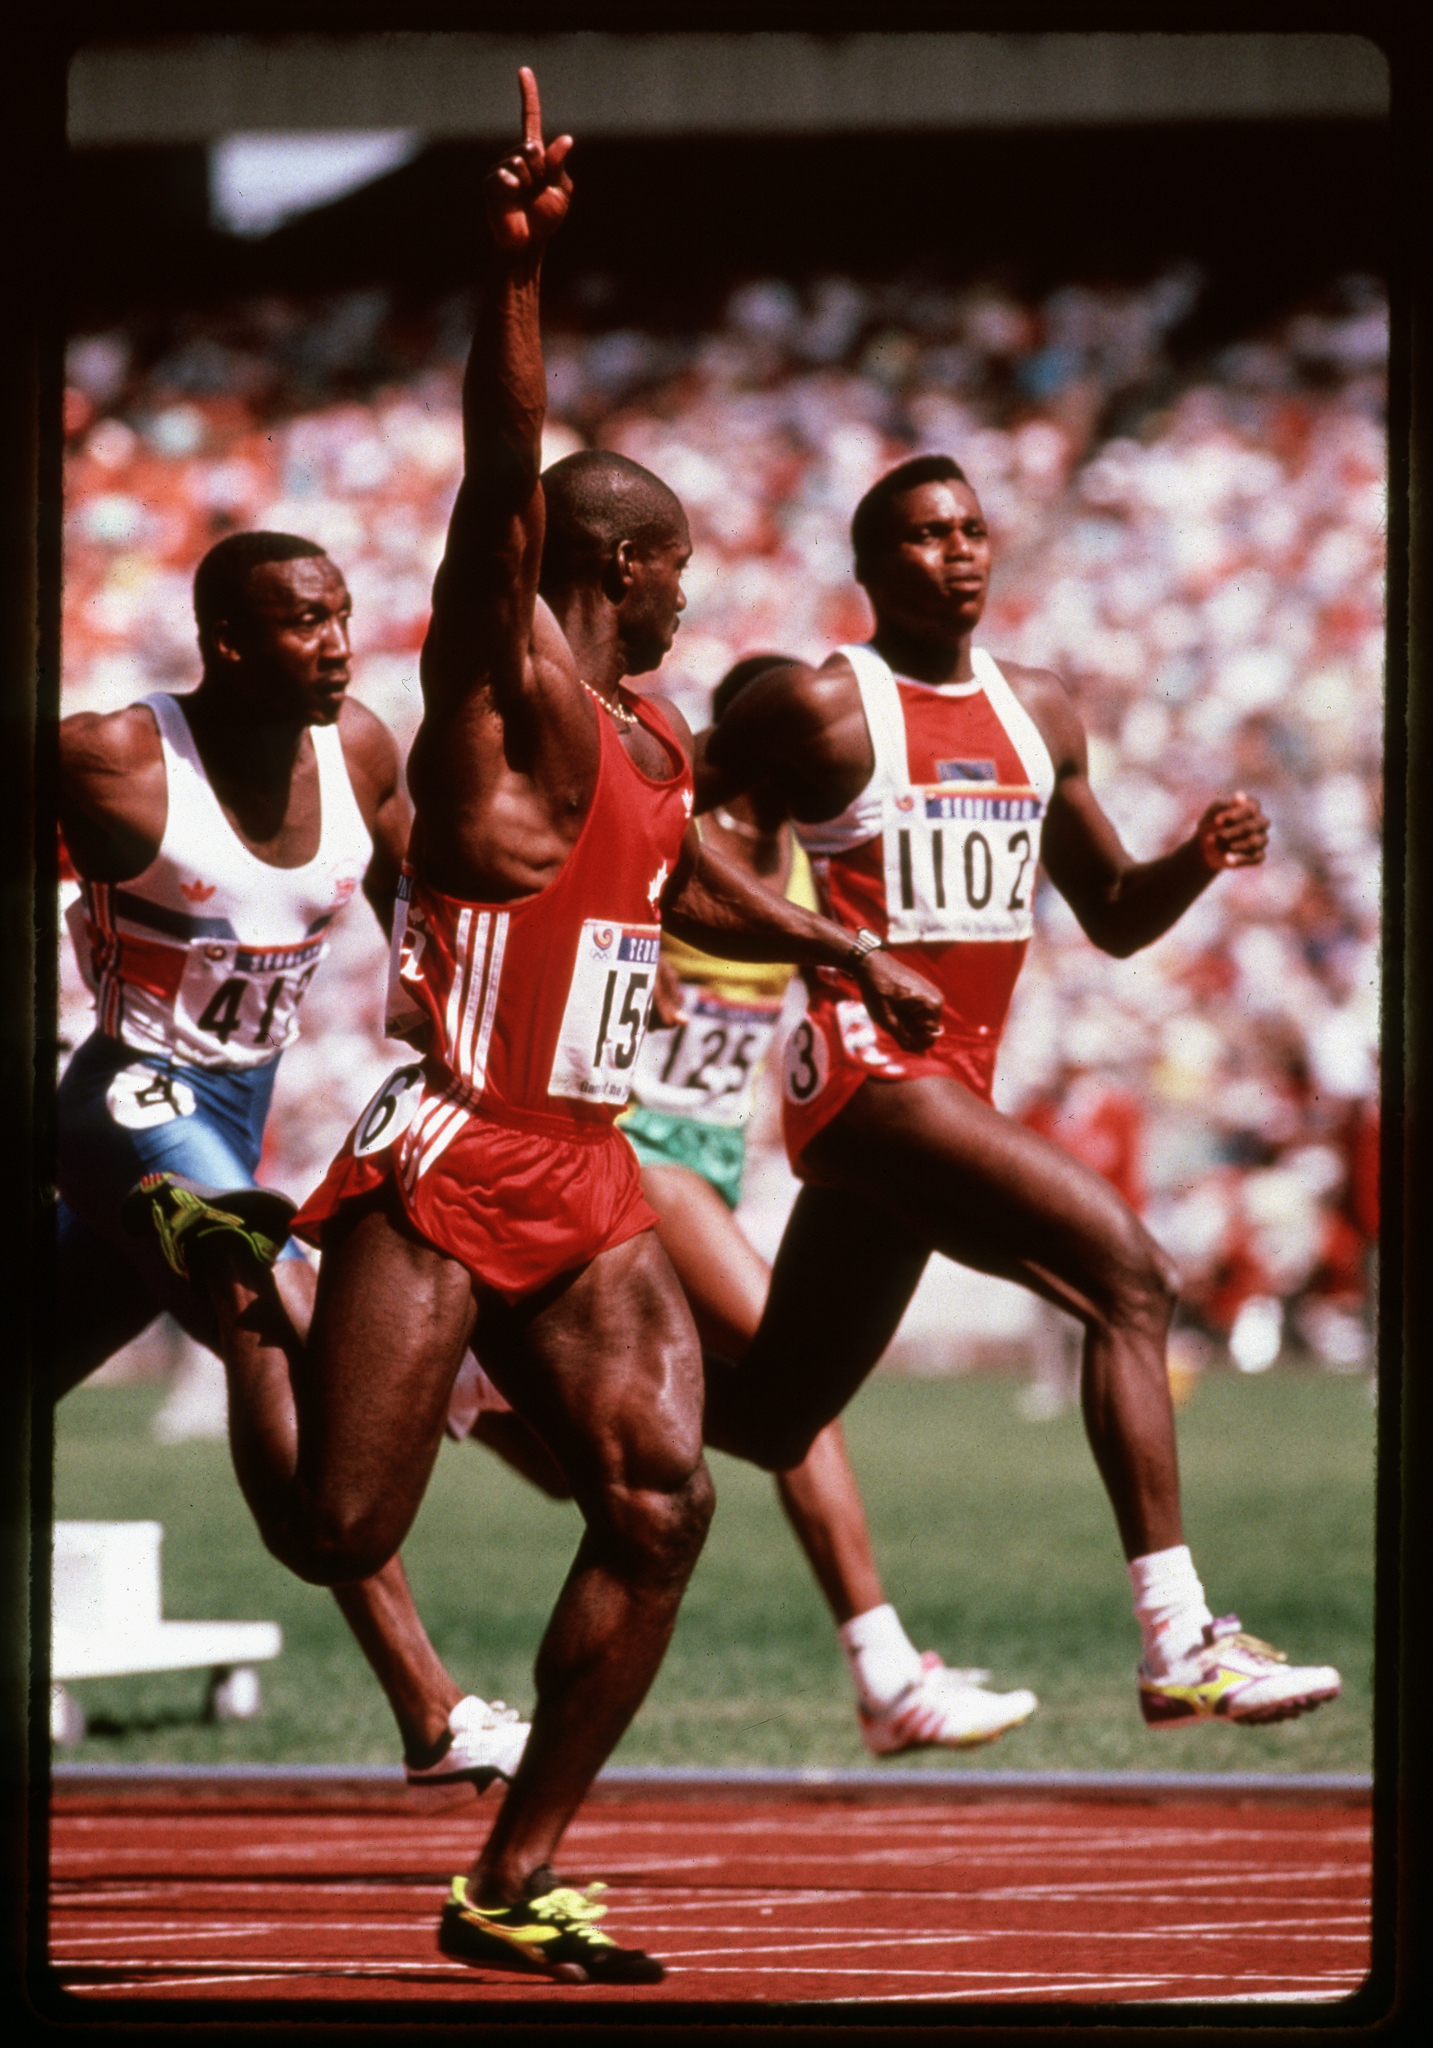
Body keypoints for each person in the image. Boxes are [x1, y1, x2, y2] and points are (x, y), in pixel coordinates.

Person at [129, 72, 941, 1986]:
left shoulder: (657, 748)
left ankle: (511, 1874)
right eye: (670, 572)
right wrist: (515, 274)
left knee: (663, 1503)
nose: (687, 603)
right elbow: (505, 477)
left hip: (583, 1163)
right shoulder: (514, 694)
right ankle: (255, 1286)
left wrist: (835, 947)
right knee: (340, 1529)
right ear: (624, 568)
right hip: (449, 1143)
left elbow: (679, 887)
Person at [698, 451, 1342, 1732]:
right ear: (872, 568)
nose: (962, 552)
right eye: (930, 535)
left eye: (975, 530)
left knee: (773, 1413)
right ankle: (1177, 1636)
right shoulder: (826, 709)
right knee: (1133, 1278)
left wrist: (1194, 862)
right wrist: (839, 950)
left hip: (949, 1082)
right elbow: (664, 849)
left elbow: (1108, 915)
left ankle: (503, 1380)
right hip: (871, 1079)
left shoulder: (1036, 711)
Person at [53, 527, 529, 1788]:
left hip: (235, 1113)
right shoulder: (112, 756)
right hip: (122, 1095)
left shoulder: (359, 744)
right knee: (265, 1293)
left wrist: (458, 1028)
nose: (336, 643)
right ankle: (429, 1706)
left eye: (341, 613)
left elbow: (415, 900)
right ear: (227, 644)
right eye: (304, 623)